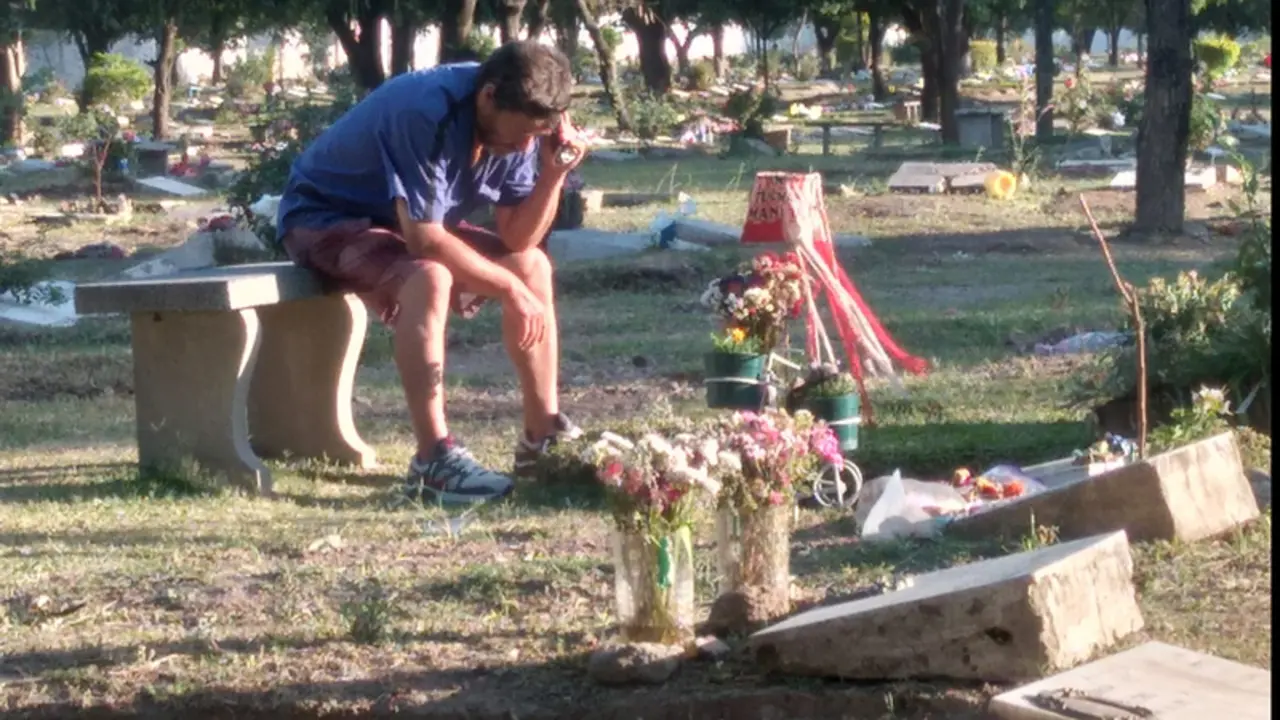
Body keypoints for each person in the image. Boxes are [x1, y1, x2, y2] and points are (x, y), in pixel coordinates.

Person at [275, 41, 587, 505]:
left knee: (532, 266)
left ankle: (542, 440)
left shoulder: (525, 121)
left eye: (535, 136)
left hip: (400, 224)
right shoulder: (426, 110)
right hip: (324, 219)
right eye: (521, 135)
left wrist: (553, 174)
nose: (525, 147)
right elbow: (424, 240)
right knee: (429, 277)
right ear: (488, 96)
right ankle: (433, 460)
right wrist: (507, 289)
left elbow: (519, 238)